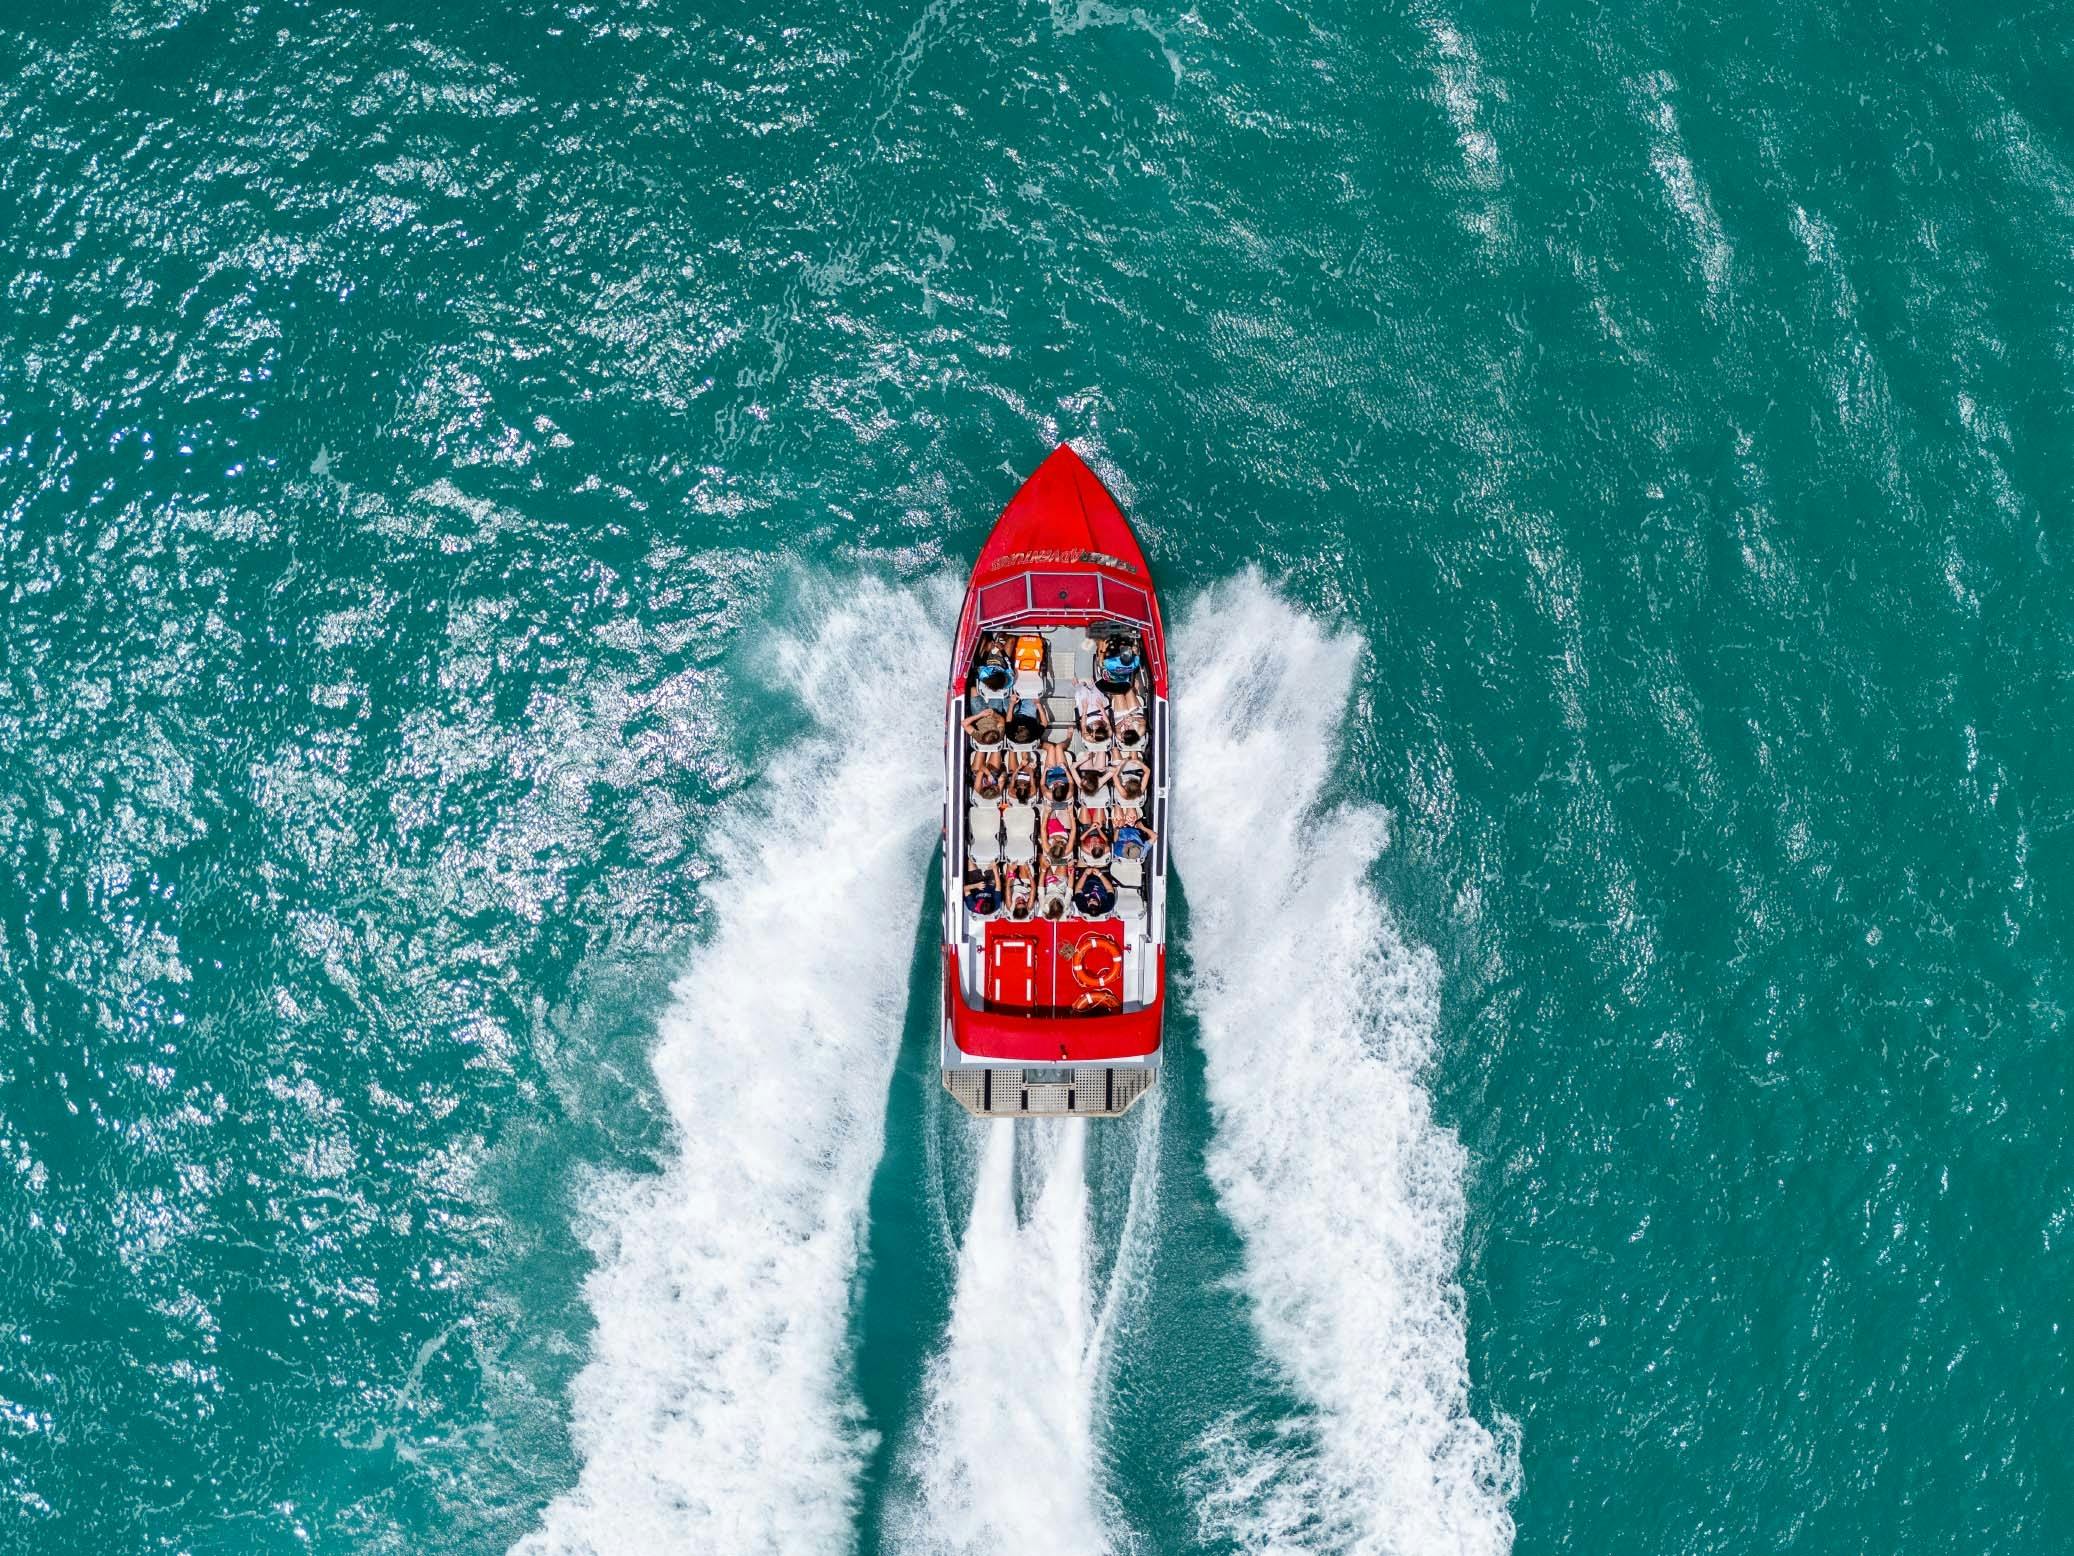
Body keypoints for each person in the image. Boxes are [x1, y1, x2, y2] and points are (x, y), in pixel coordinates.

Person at [1073, 678, 1112, 744]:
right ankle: (1093, 684)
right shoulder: (1108, 733)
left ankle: (1079, 686)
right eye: (1095, 730)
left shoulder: (1088, 736)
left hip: (1087, 716)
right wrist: (1101, 707)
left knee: (1084, 697)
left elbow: (1083, 725)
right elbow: (1107, 721)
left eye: (1093, 733)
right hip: (1099, 713)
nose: (1093, 730)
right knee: (1098, 696)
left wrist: (1085, 708)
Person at [1109, 685, 1147, 750]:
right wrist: (1133, 719)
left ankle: (1114, 685)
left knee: (1118, 692)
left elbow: (1117, 727)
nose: (1126, 728)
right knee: (1129, 690)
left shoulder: (1120, 737)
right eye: (1126, 730)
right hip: (1135, 713)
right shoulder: (1140, 732)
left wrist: (1123, 722)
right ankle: (1132, 687)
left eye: (1123, 732)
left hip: (1121, 716)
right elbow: (1143, 721)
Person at [1040, 739, 1074, 804]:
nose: (1057, 783)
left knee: (1051, 747)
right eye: (1060, 784)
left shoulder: (1048, 794)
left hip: (1050, 774)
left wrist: (1045, 770)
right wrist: (1066, 769)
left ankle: (1036, 743)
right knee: (1059, 747)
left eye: (1055, 785)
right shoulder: (1069, 794)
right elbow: (1071, 782)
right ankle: (1069, 738)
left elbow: (1042, 784)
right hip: (1062, 773)